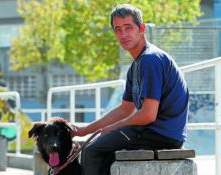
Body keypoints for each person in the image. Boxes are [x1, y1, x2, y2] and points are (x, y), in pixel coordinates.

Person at [73, 4, 189, 175]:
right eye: (118, 29)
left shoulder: (150, 59)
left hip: (161, 134)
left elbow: (148, 115)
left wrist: (113, 128)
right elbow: (125, 109)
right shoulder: (136, 66)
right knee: (98, 146)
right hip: (151, 131)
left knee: (92, 151)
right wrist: (84, 130)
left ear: (141, 28)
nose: (123, 34)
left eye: (128, 27)